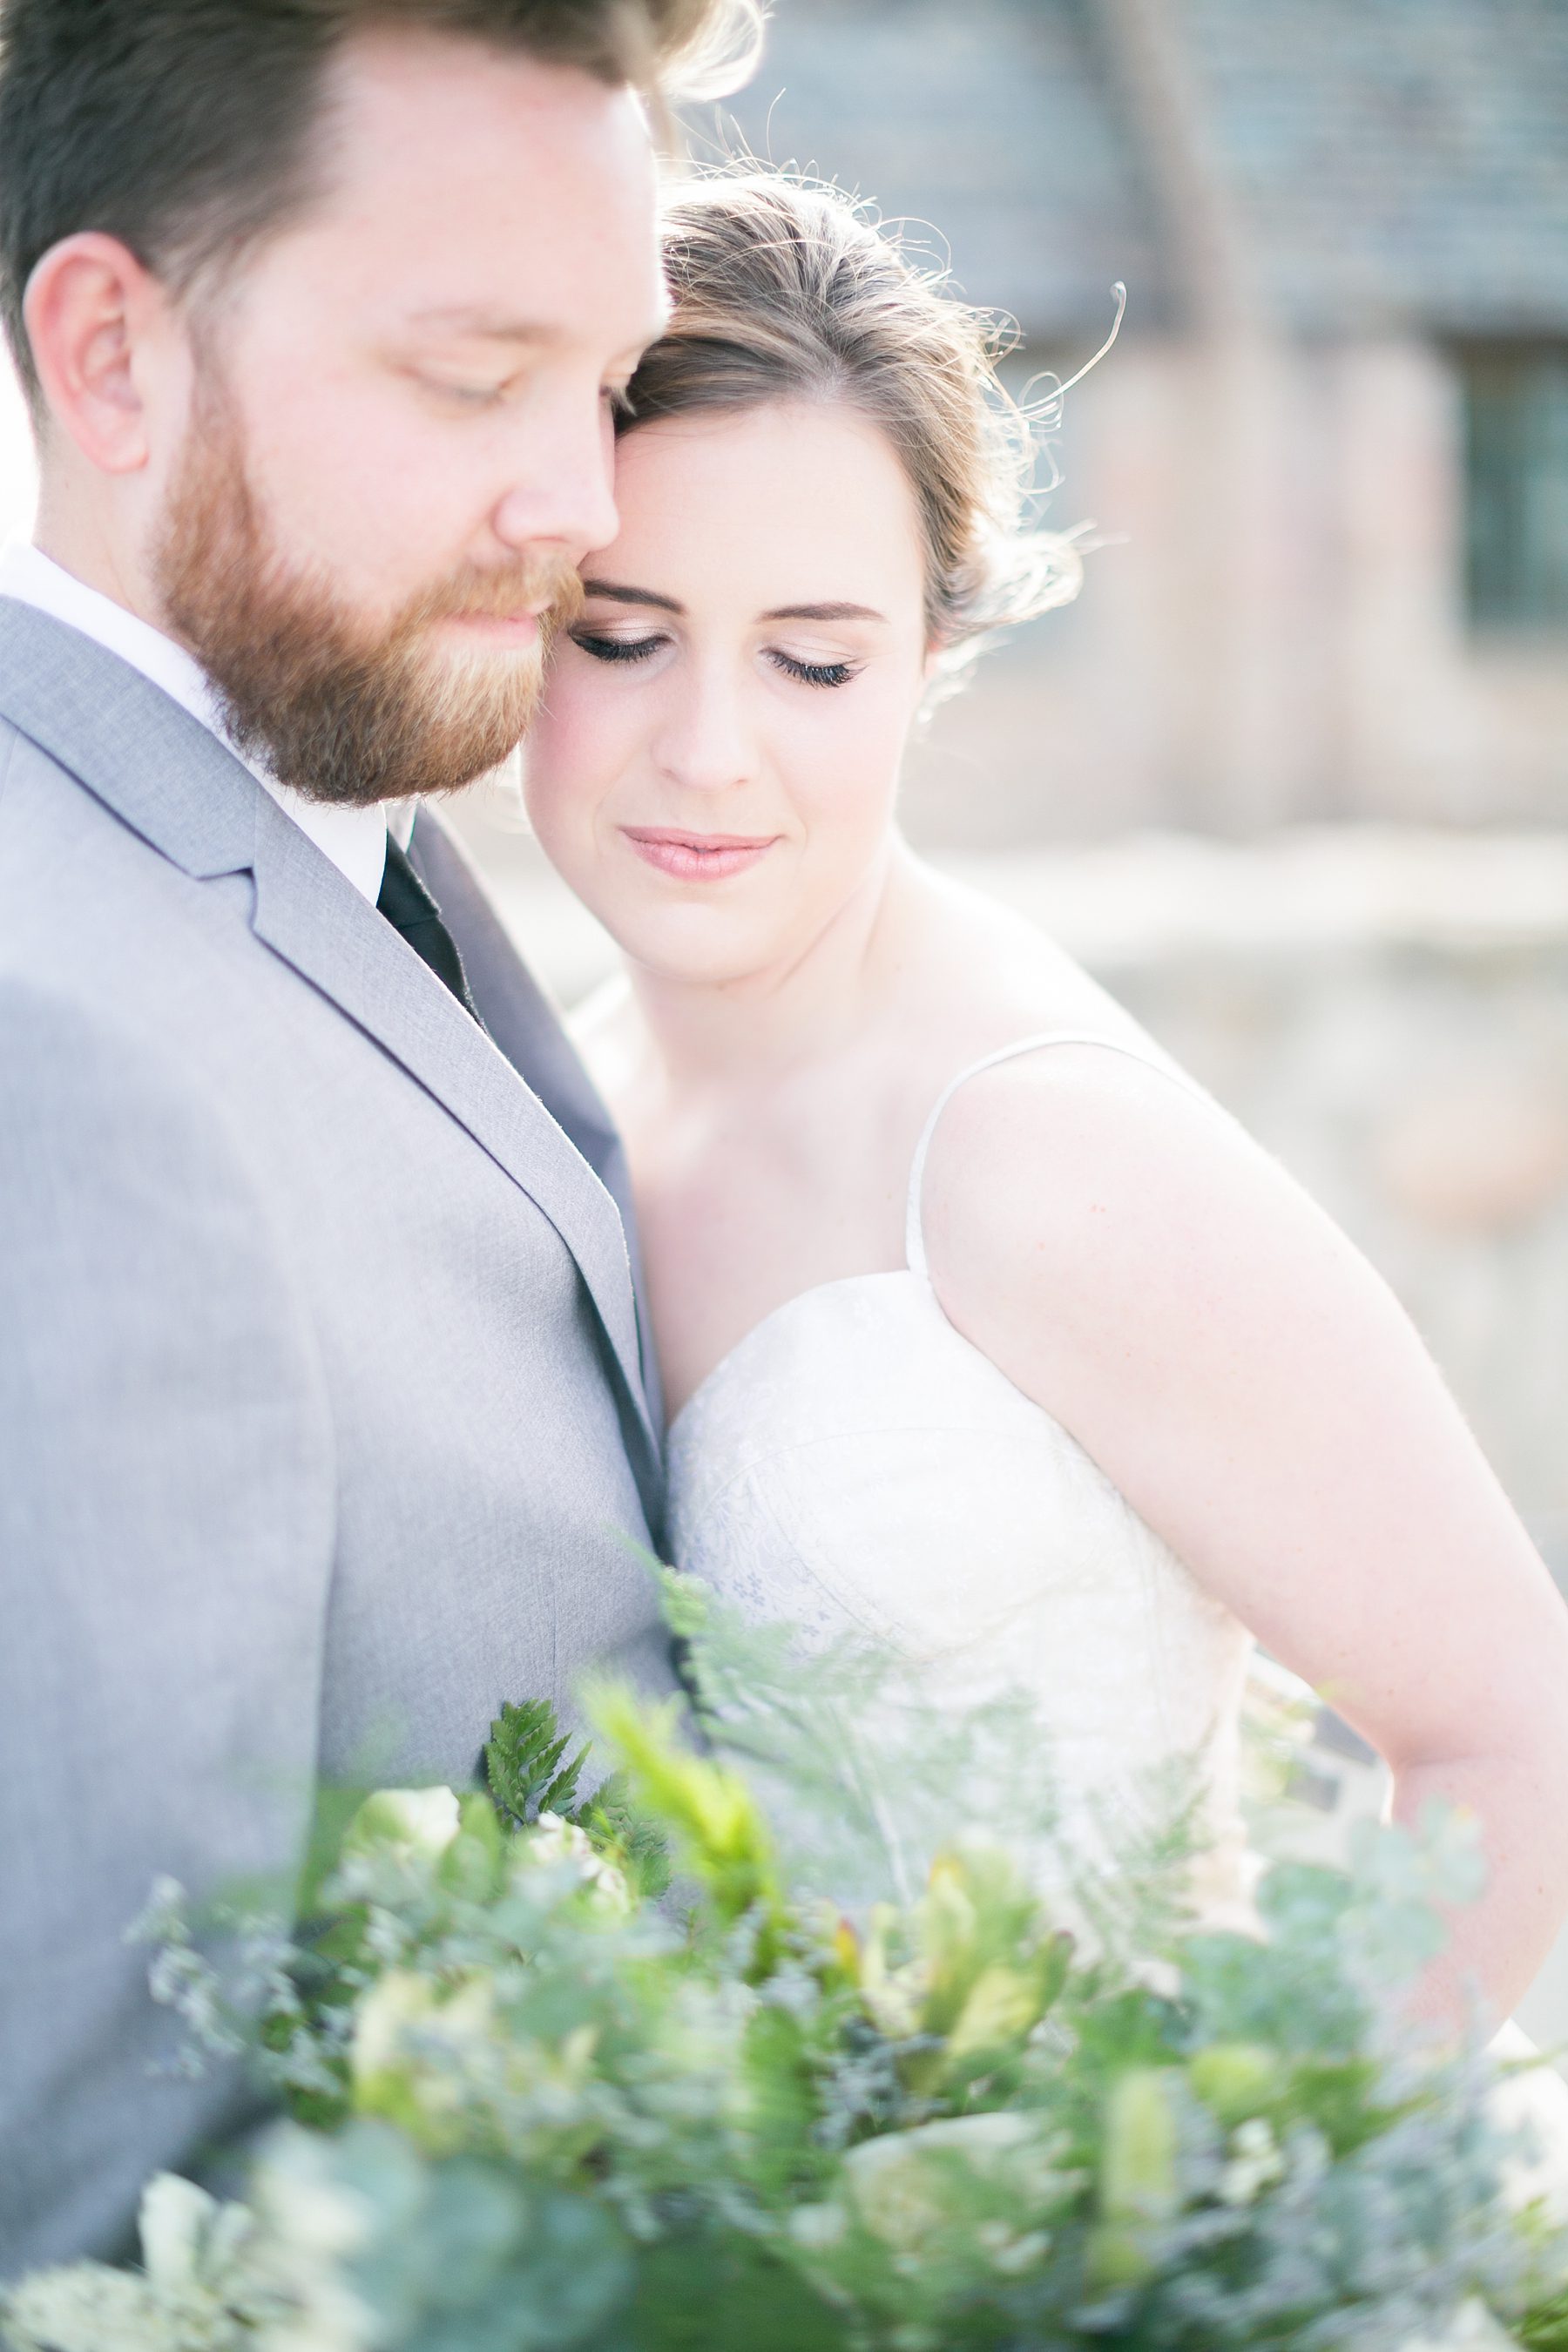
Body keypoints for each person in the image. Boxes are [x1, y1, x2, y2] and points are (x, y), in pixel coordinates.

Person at [524, 172, 1568, 2024]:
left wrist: (1235, 2245)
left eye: (813, 657)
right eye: (622, 634)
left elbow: (1511, 1736)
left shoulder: (1035, 1151)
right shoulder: (556, 1097)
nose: (708, 748)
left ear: (928, 662)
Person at [0, 0, 759, 2274]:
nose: (587, 503)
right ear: (113, 358)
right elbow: (94, 2180)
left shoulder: (325, 840)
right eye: (469, 376)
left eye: (606, 386)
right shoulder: (53, 1032)